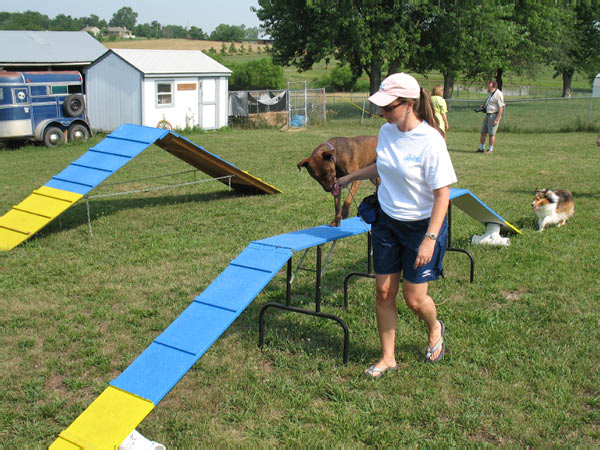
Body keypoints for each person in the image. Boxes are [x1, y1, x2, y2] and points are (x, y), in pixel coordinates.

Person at [333, 73, 457, 378]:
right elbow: (385, 164)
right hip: (387, 221)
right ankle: (388, 357)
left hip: (420, 227)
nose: (382, 113)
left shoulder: (431, 141)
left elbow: (443, 196)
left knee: (414, 298)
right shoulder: (386, 131)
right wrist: (350, 177)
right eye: (381, 108)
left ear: (408, 104)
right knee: (384, 291)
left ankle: (434, 327)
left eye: (388, 108)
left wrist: (430, 238)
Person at [477, 80, 505, 153]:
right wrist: (484, 106)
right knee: (483, 132)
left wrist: (497, 119)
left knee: (491, 133)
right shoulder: (491, 94)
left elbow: (501, 107)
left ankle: (490, 149)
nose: (488, 88)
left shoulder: (498, 94)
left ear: (494, 87)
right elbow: (491, 103)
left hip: (494, 115)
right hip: (487, 115)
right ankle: (481, 148)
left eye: (489, 87)